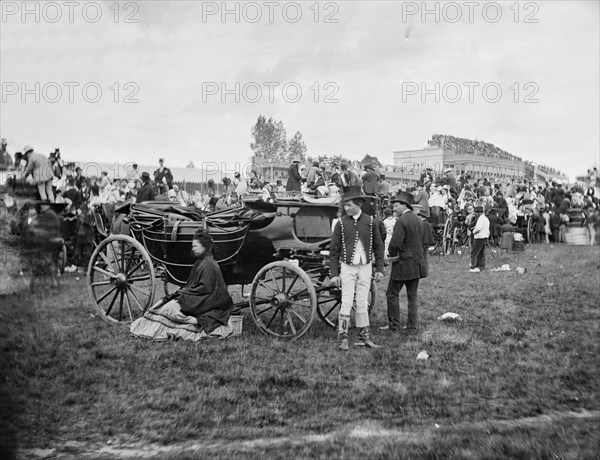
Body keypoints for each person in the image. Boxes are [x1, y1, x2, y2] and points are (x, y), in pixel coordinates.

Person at [130, 229, 235, 341]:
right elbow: (196, 286)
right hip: (200, 298)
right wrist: (184, 293)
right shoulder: (202, 261)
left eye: (195, 246)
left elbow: (205, 289)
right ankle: (148, 325)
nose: (192, 248)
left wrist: (184, 294)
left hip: (207, 302)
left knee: (171, 308)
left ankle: (160, 326)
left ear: (204, 247)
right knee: (166, 304)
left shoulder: (208, 264)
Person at [329, 186, 385, 350]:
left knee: (362, 301)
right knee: (346, 301)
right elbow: (334, 250)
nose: (346, 209)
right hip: (347, 268)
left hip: (366, 267)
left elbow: (379, 247)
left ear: (359, 204)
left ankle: (365, 337)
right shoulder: (340, 224)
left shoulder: (371, 222)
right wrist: (334, 274)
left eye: (349, 205)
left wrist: (379, 269)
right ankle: (343, 337)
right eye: (344, 205)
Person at [384, 191, 427, 331]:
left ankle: (394, 325)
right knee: (412, 296)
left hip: (403, 264)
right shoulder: (418, 220)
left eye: (396, 206)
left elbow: (395, 243)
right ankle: (412, 325)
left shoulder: (401, 221)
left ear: (404, 205)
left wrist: (390, 255)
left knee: (391, 293)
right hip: (417, 263)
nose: (394, 209)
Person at [470, 206, 489, 272]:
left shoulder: (480, 219)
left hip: (479, 237)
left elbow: (478, 228)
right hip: (484, 237)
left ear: (479, 213)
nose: (475, 214)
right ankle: (481, 266)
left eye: (476, 212)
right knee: (481, 253)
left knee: (474, 252)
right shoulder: (485, 218)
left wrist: (473, 231)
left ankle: (474, 266)